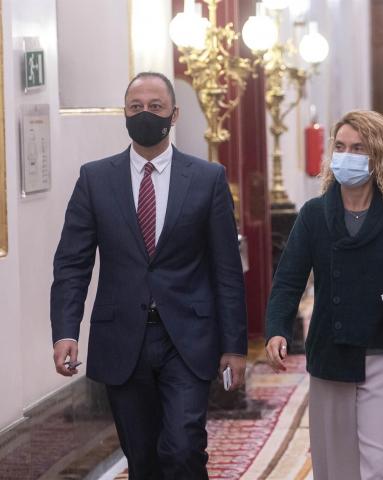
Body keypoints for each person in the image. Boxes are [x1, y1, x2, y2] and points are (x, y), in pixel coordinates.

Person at [50, 72, 248, 479]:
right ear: (124, 114)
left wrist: (234, 346)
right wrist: (65, 331)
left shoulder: (207, 179)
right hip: (123, 337)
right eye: (136, 107)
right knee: (142, 459)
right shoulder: (95, 179)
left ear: (174, 115)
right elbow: (72, 262)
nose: (145, 114)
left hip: (187, 338)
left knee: (183, 447)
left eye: (155, 107)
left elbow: (227, 270)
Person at [264, 110, 383, 480]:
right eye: (341, 147)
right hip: (331, 352)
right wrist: (277, 329)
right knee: (337, 466)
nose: (347, 155)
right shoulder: (314, 214)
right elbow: (288, 280)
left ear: (378, 155)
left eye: (358, 148)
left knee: (381, 464)